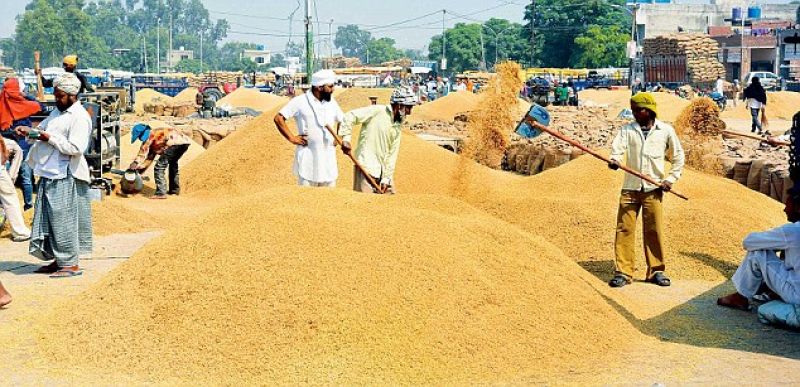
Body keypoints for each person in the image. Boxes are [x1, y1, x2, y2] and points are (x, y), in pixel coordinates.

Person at [17, 73, 92, 278]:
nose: (56, 100)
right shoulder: (58, 113)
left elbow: (75, 148)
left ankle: (70, 263)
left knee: (63, 219)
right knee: (50, 219)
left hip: (66, 174)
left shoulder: (79, 117)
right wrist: (29, 131)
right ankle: (58, 259)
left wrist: (46, 137)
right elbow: (42, 130)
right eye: (55, 95)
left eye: (60, 96)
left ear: (72, 95)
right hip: (49, 171)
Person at [607, 92, 685, 288]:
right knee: (624, 229)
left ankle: (656, 270)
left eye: (637, 110)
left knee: (653, 230)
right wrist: (615, 159)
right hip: (630, 187)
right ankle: (624, 272)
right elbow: (618, 148)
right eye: (633, 110)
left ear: (648, 111)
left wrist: (670, 179)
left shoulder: (665, 131)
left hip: (653, 188)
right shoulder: (627, 130)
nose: (634, 113)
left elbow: (678, 157)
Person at [717, 190, 800, 311]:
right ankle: (770, 291)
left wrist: (773, 243)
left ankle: (741, 296)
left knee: (758, 252)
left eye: (788, 205)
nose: (785, 209)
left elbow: (749, 242)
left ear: (798, 208)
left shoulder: (792, 231)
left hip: (796, 294)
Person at [274, 69, 345, 188]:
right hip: (308, 158)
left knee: (330, 198)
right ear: (319, 87)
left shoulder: (332, 102)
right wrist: (292, 138)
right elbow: (278, 118)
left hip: (328, 158)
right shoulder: (299, 101)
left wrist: (338, 136)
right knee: (306, 197)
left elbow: (343, 120)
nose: (333, 90)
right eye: (330, 86)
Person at [339, 87, 417, 194]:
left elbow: (392, 154)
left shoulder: (397, 125)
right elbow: (349, 116)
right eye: (408, 108)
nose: (409, 112)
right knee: (364, 205)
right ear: (399, 106)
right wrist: (346, 139)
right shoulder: (377, 111)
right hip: (365, 168)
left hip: (382, 172)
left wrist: (386, 179)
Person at [0, 78, 40, 210]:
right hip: (13, 142)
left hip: (14, 143)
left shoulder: (6, 102)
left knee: (16, 175)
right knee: (22, 176)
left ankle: (23, 205)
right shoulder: (18, 103)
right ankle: (24, 205)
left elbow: (41, 106)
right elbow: (40, 106)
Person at [128, 123, 193, 199]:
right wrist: (141, 168)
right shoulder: (156, 138)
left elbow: (142, 153)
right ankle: (174, 190)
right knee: (173, 164)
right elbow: (149, 159)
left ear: (142, 135)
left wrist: (135, 163)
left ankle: (161, 193)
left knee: (159, 167)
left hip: (174, 143)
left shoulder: (150, 136)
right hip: (184, 143)